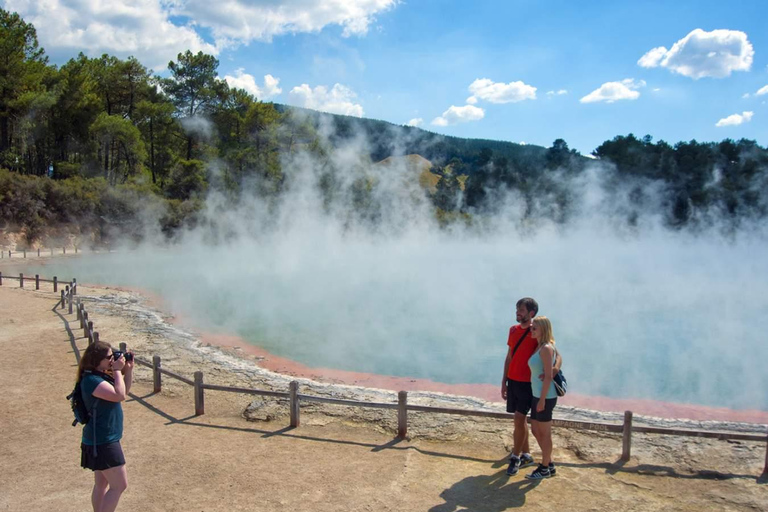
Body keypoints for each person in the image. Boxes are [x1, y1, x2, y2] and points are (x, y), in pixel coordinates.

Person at [501, 298, 560, 476]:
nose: (517, 312)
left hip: (529, 385)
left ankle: (516, 457)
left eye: (521, 310)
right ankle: (526, 454)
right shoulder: (513, 330)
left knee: (519, 419)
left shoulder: (536, 333)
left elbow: (556, 354)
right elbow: (509, 356)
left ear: (531, 313)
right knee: (520, 421)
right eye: (517, 309)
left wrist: (554, 370)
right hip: (513, 381)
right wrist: (504, 380)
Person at [77, 341, 133, 512]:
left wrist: (128, 370)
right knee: (120, 485)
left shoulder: (99, 375)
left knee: (101, 484)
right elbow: (119, 395)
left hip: (99, 438)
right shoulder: (92, 380)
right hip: (103, 441)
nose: (111, 360)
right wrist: (116, 370)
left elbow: (124, 391)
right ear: (97, 360)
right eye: (109, 357)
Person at [525, 316, 559, 480]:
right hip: (537, 394)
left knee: (545, 433)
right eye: (531, 328)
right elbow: (558, 360)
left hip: (545, 396)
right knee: (535, 429)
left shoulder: (546, 348)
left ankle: (545, 468)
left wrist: (542, 400)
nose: (531, 330)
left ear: (543, 330)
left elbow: (548, 377)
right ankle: (549, 462)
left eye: (534, 328)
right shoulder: (540, 346)